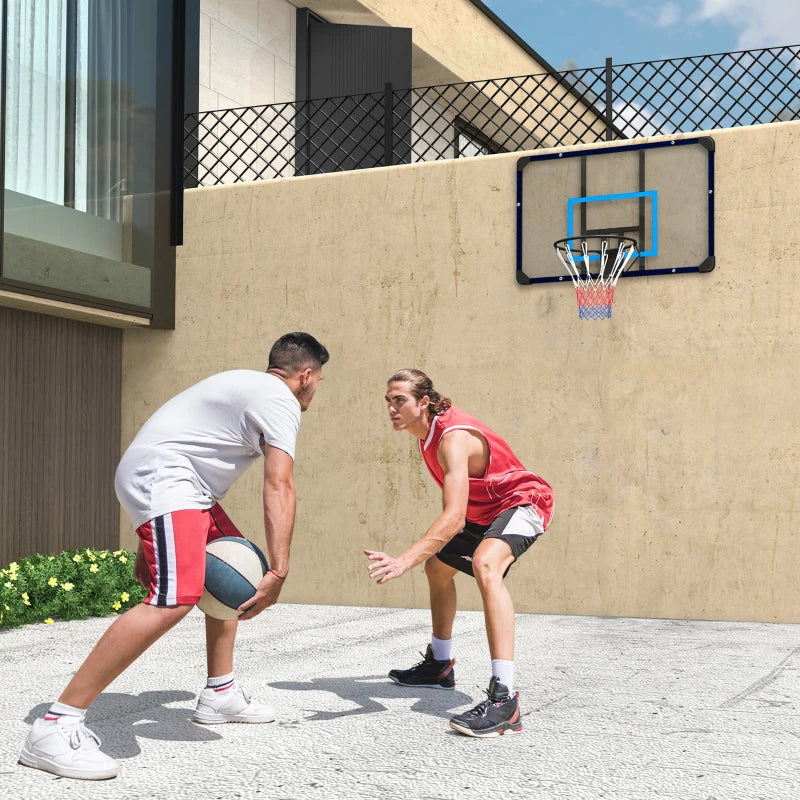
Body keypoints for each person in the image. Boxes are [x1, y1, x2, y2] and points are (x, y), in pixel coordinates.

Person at [19, 332, 329, 780]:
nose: (314, 389)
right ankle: (55, 726)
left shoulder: (248, 385)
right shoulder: (280, 400)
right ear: (306, 375)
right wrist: (280, 569)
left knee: (231, 563)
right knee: (175, 598)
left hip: (178, 482)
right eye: (317, 381)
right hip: (166, 478)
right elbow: (279, 485)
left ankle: (219, 692)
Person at [365, 369, 554, 738]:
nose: (391, 408)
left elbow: (452, 518)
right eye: (388, 400)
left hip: (525, 502)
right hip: (485, 514)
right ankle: (439, 666)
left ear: (423, 402)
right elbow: (458, 511)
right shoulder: (426, 435)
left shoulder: (451, 439)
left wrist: (403, 560)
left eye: (399, 400)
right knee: (437, 567)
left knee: (486, 564)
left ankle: (504, 700)